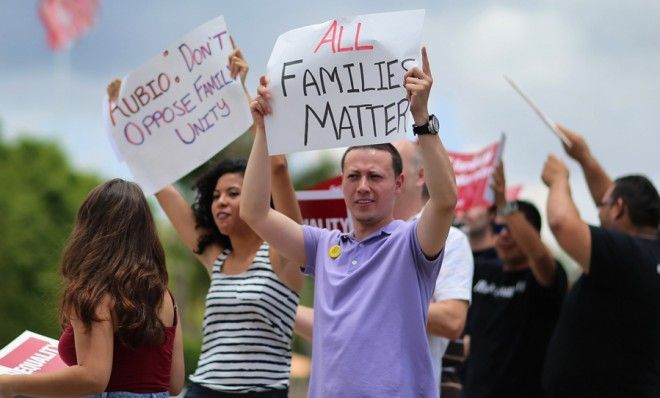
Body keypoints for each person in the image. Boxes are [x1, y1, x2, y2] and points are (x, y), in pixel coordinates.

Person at [242, 47, 458, 396]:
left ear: (399, 184)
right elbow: (254, 211)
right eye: (353, 176)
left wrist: (422, 117)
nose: (363, 186)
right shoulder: (323, 245)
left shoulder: (411, 243)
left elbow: (445, 201)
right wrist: (263, 132)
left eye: (375, 176)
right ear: (341, 182)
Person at [154, 45, 303, 397]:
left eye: (234, 194)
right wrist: (126, 127)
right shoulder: (216, 259)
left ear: (256, 199)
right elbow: (162, 187)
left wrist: (245, 92)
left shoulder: (284, 254)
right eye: (216, 196)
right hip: (203, 389)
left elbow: (278, 166)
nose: (221, 201)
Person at [0, 179, 184, 398]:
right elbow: (174, 384)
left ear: (89, 229)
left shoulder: (95, 293)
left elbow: (93, 378)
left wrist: (10, 384)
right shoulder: (164, 295)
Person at [541, 125, 660, 397]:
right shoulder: (648, 252)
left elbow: (562, 223)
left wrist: (560, 180)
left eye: (603, 206)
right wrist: (585, 158)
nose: (599, 210)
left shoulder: (626, 254)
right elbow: (614, 197)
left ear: (618, 209)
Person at [463, 162, 567, 398]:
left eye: (512, 228)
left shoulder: (544, 277)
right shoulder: (481, 271)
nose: (505, 235)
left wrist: (504, 205)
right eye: (499, 229)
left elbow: (540, 256)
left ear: (533, 234)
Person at [393, 139, 474, 397]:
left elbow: (452, 320)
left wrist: (374, 299)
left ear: (420, 176)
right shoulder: (355, 238)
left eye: (392, 162)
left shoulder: (451, 240)